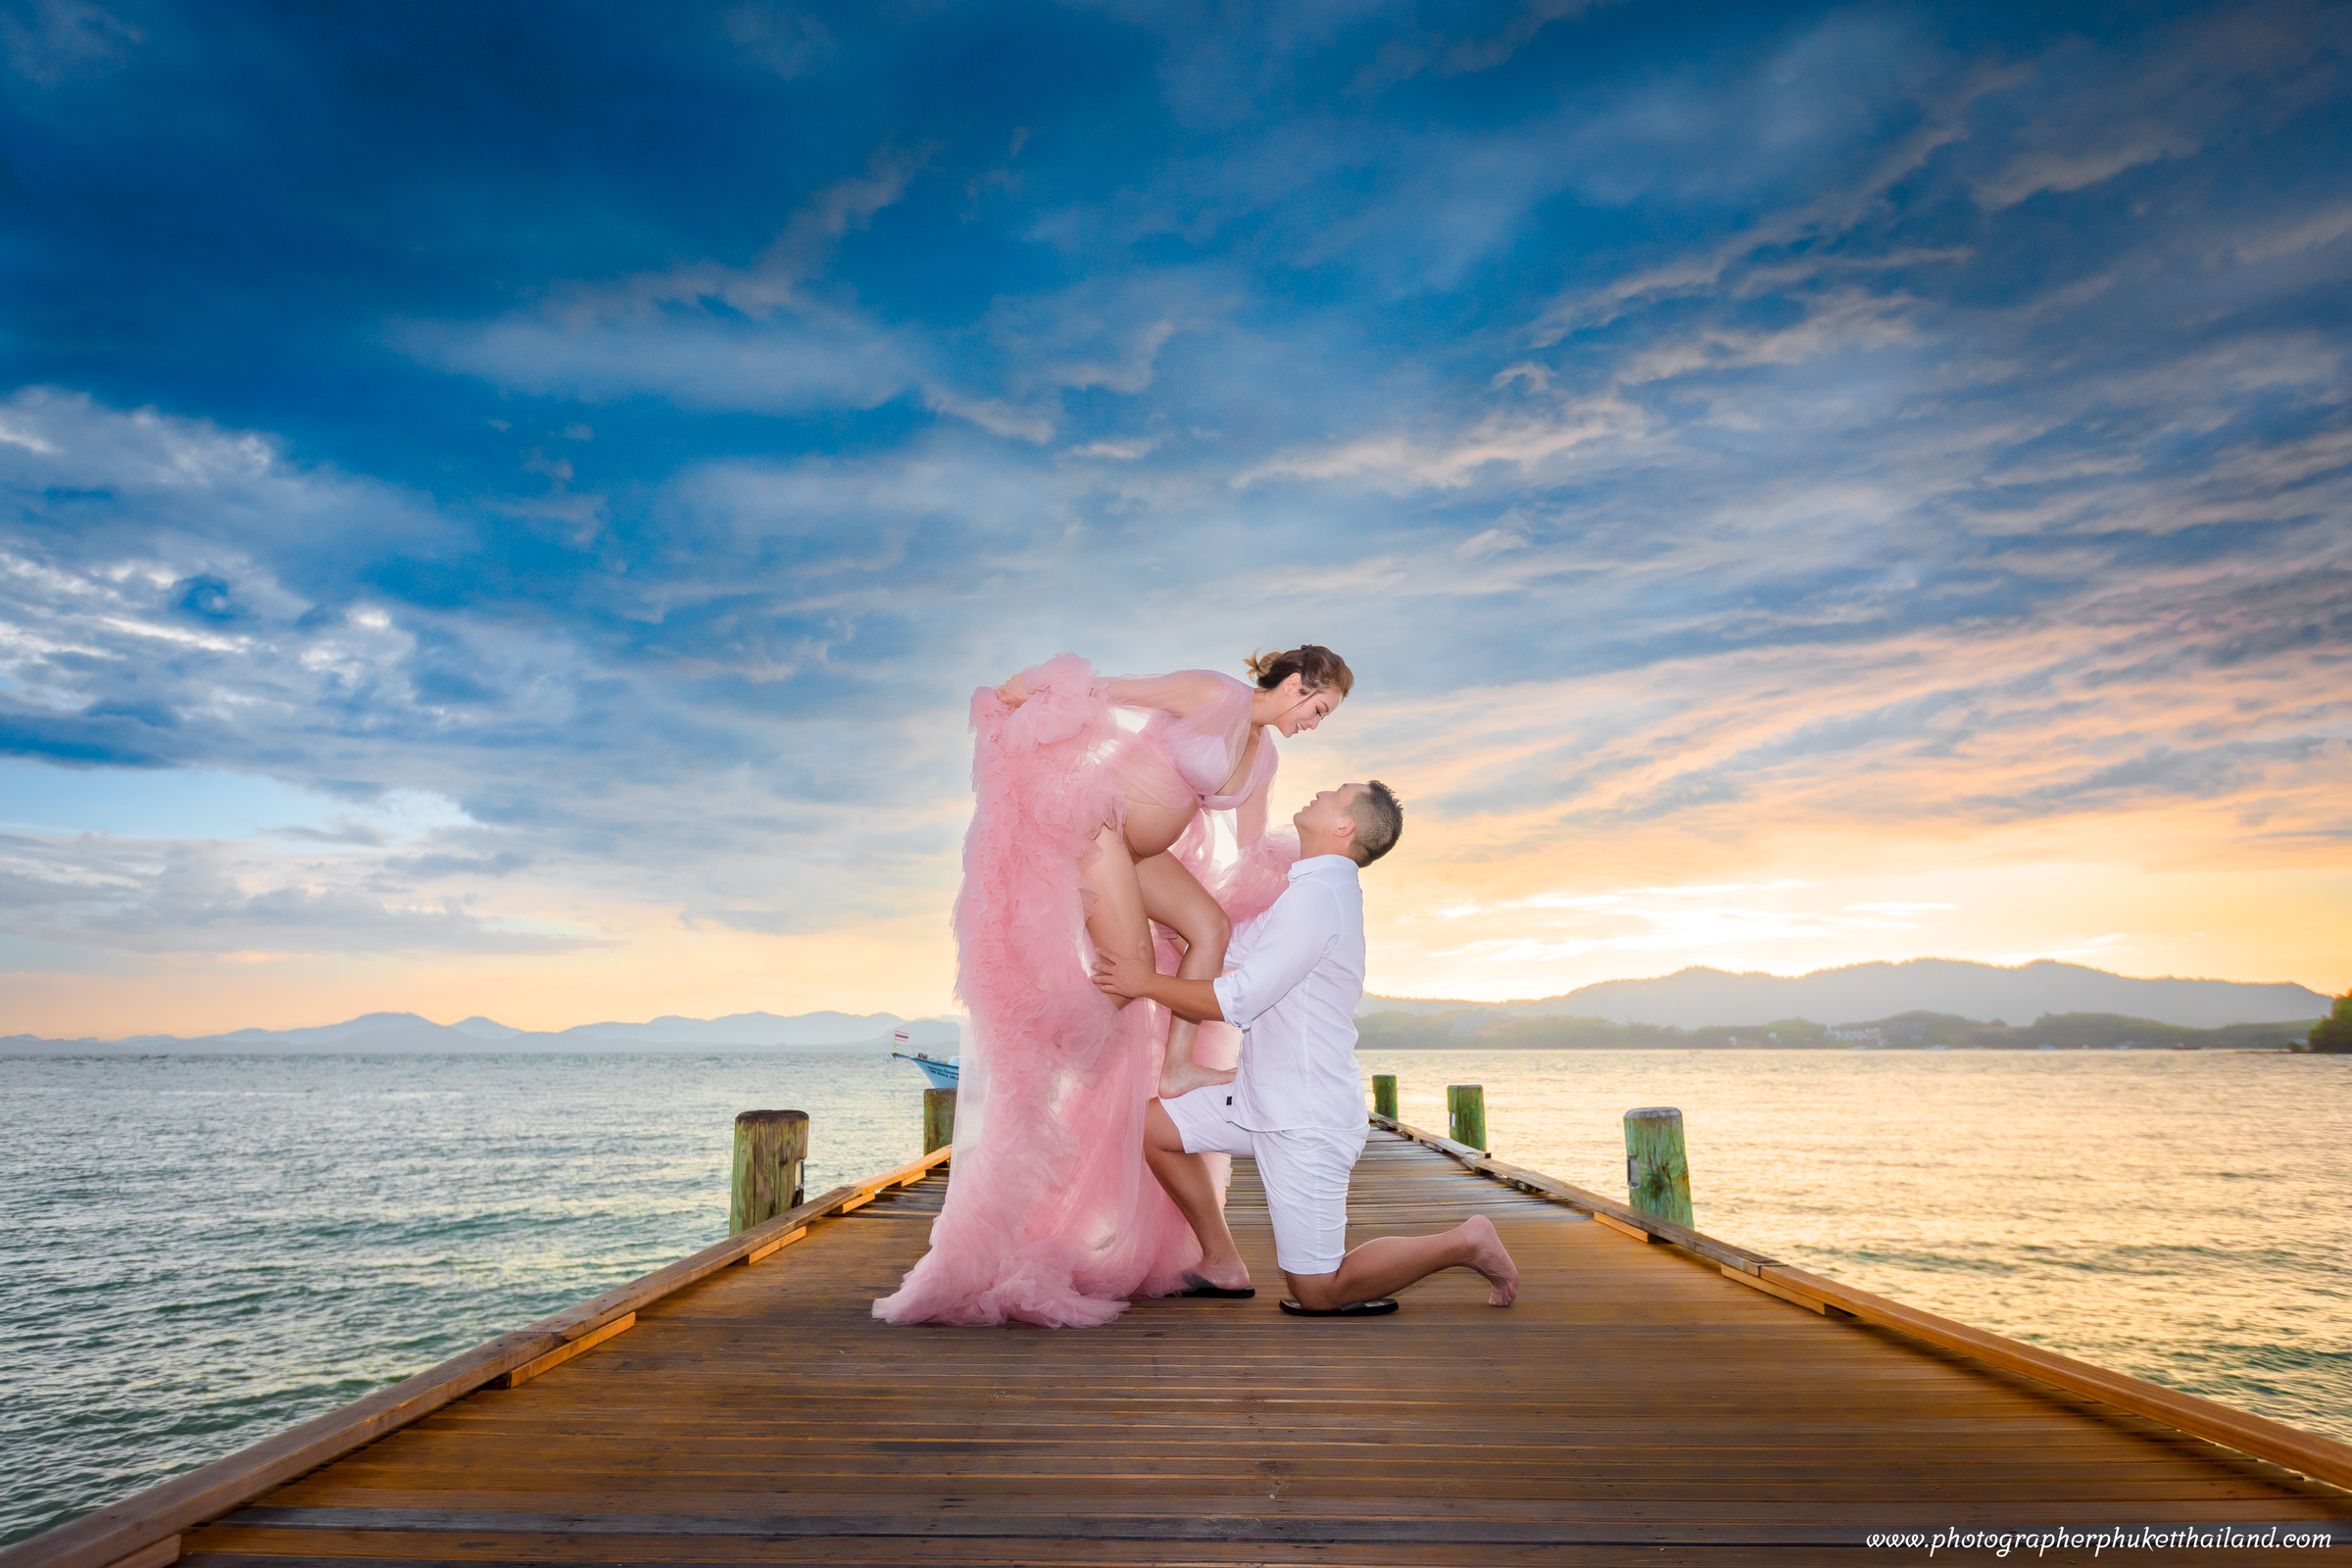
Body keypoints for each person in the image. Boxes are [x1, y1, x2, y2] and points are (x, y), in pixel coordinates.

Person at [870, 646, 1351, 1328]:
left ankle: (1179, 1064)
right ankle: (1043, 1055)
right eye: (1320, 708)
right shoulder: (1211, 692)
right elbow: (1107, 689)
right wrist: (1020, 690)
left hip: (1144, 852)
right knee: (1124, 975)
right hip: (1099, 833)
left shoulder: (1265, 756)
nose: (1316, 722)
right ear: (1300, 684)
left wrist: (1305, 884)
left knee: (1208, 928)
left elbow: (1248, 847)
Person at [1093, 781, 1521, 1316]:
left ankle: (1467, 1241)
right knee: (1151, 1129)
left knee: (1319, 1290)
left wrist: (1143, 981)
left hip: (1306, 1119)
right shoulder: (1308, 895)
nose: (1321, 790)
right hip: (1260, 1103)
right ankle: (1222, 1261)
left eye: (1337, 793)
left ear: (1344, 828)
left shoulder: (1319, 899)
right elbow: (1230, 946)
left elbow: (1240, 998)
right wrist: (1169, 908)